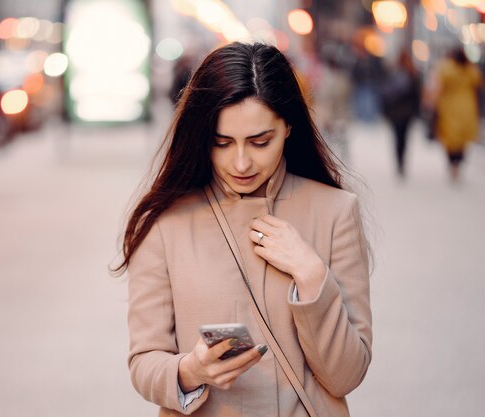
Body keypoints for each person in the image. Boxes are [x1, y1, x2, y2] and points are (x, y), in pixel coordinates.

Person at [114, 42, 372, 417]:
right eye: (221, 143)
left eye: (260, 142)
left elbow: (347, 375)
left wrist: (313, 276)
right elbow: (143, 363)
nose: (240, 162)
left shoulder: (335, 211)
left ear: (288, 127)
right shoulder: (165, 222)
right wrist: (190, 371)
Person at [430, 47, 482, 181]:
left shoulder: (446, 69)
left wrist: (432, 103)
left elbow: (439, 88)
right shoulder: (471, 70)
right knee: (463, 138)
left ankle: (452, 162)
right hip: (467, 106)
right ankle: (458, 162)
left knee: (449, 137)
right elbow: (478, 86)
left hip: (449, 106)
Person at [380, 49, 421, 178]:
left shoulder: (393, 73)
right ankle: (402, 162)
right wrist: (416, 111)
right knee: (404, 138)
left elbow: (385, 94)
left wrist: (385, 111)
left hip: (395, 113)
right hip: (407, 113)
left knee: (397, 138)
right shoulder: (412, 74)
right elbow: (416, 96)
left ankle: (399, 162)